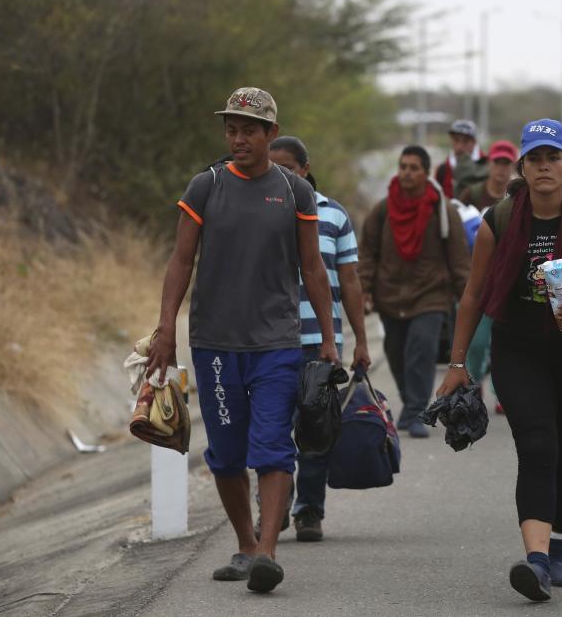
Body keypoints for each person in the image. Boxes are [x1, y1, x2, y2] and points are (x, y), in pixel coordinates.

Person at [146, 87, 339, 593]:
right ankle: (246, 544)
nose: (238, 139)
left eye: (249, 130)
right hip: (214, 344)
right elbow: (181, 261)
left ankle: (268, 554)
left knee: (273, 446)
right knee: (228, 454)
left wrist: (329, 337)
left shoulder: (294, 192)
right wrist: (166, 327)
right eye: (231, 130)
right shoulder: (206, 186)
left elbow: (312, 267)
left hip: (277, 343)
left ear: (271, 133)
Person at [436, 119, 562, 602]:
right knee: (537, 446)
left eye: (553, 157)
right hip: (520, 347)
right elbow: (473, 295)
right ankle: (537, 562)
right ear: (523, 167)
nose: (544, 166)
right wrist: (457, 364)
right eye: (535, 159)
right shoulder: (499, 219)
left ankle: (560, 548)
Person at [268, 136, 370, 543]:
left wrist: (360, 340)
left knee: (314, 431)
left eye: (289, 169)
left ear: (305, 170)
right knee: (272, 433)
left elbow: (349, 280)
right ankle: (273, 510)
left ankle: (309, 510)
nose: (282, 177)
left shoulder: (334, 216)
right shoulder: (260, 212)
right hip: (268, 342)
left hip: (320, 343)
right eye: (274, 169)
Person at [358, 146, 470, 438]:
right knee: (396, 354)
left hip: (431, 296)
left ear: (425, 172)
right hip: (390, 295)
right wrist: (364, 290)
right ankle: (411, 405)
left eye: (413, 167)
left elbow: (458, 259)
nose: (406, 172)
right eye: (403, 166)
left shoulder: (442, 210)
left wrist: (469, 299)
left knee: (421, 351)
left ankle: (416, 412)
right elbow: (367, 251)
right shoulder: (383, 209)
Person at [457, 139, 519, 415]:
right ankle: (474, 381)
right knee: (478, 343)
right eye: (498, 162)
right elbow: (455, 232)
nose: (501, 169)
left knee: (503, 343)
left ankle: (502, 392)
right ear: (489, 164)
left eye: (507, 163)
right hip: (478, 281)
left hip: (508, 283)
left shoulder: (518, 196)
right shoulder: (472, 193)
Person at [435, 119, 484, 198]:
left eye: (466, 141)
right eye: (456, 140)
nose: (459, 146)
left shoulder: (487, 167)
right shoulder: (442, 170)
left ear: (474, 142)